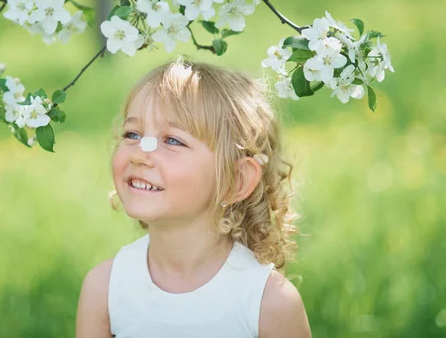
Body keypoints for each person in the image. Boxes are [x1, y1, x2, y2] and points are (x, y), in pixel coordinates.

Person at [76, 56, 312, 337]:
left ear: (236, 180)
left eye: (172, 140)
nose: (140, 154)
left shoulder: (269, 303)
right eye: (132, 134)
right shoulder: (105, 289)